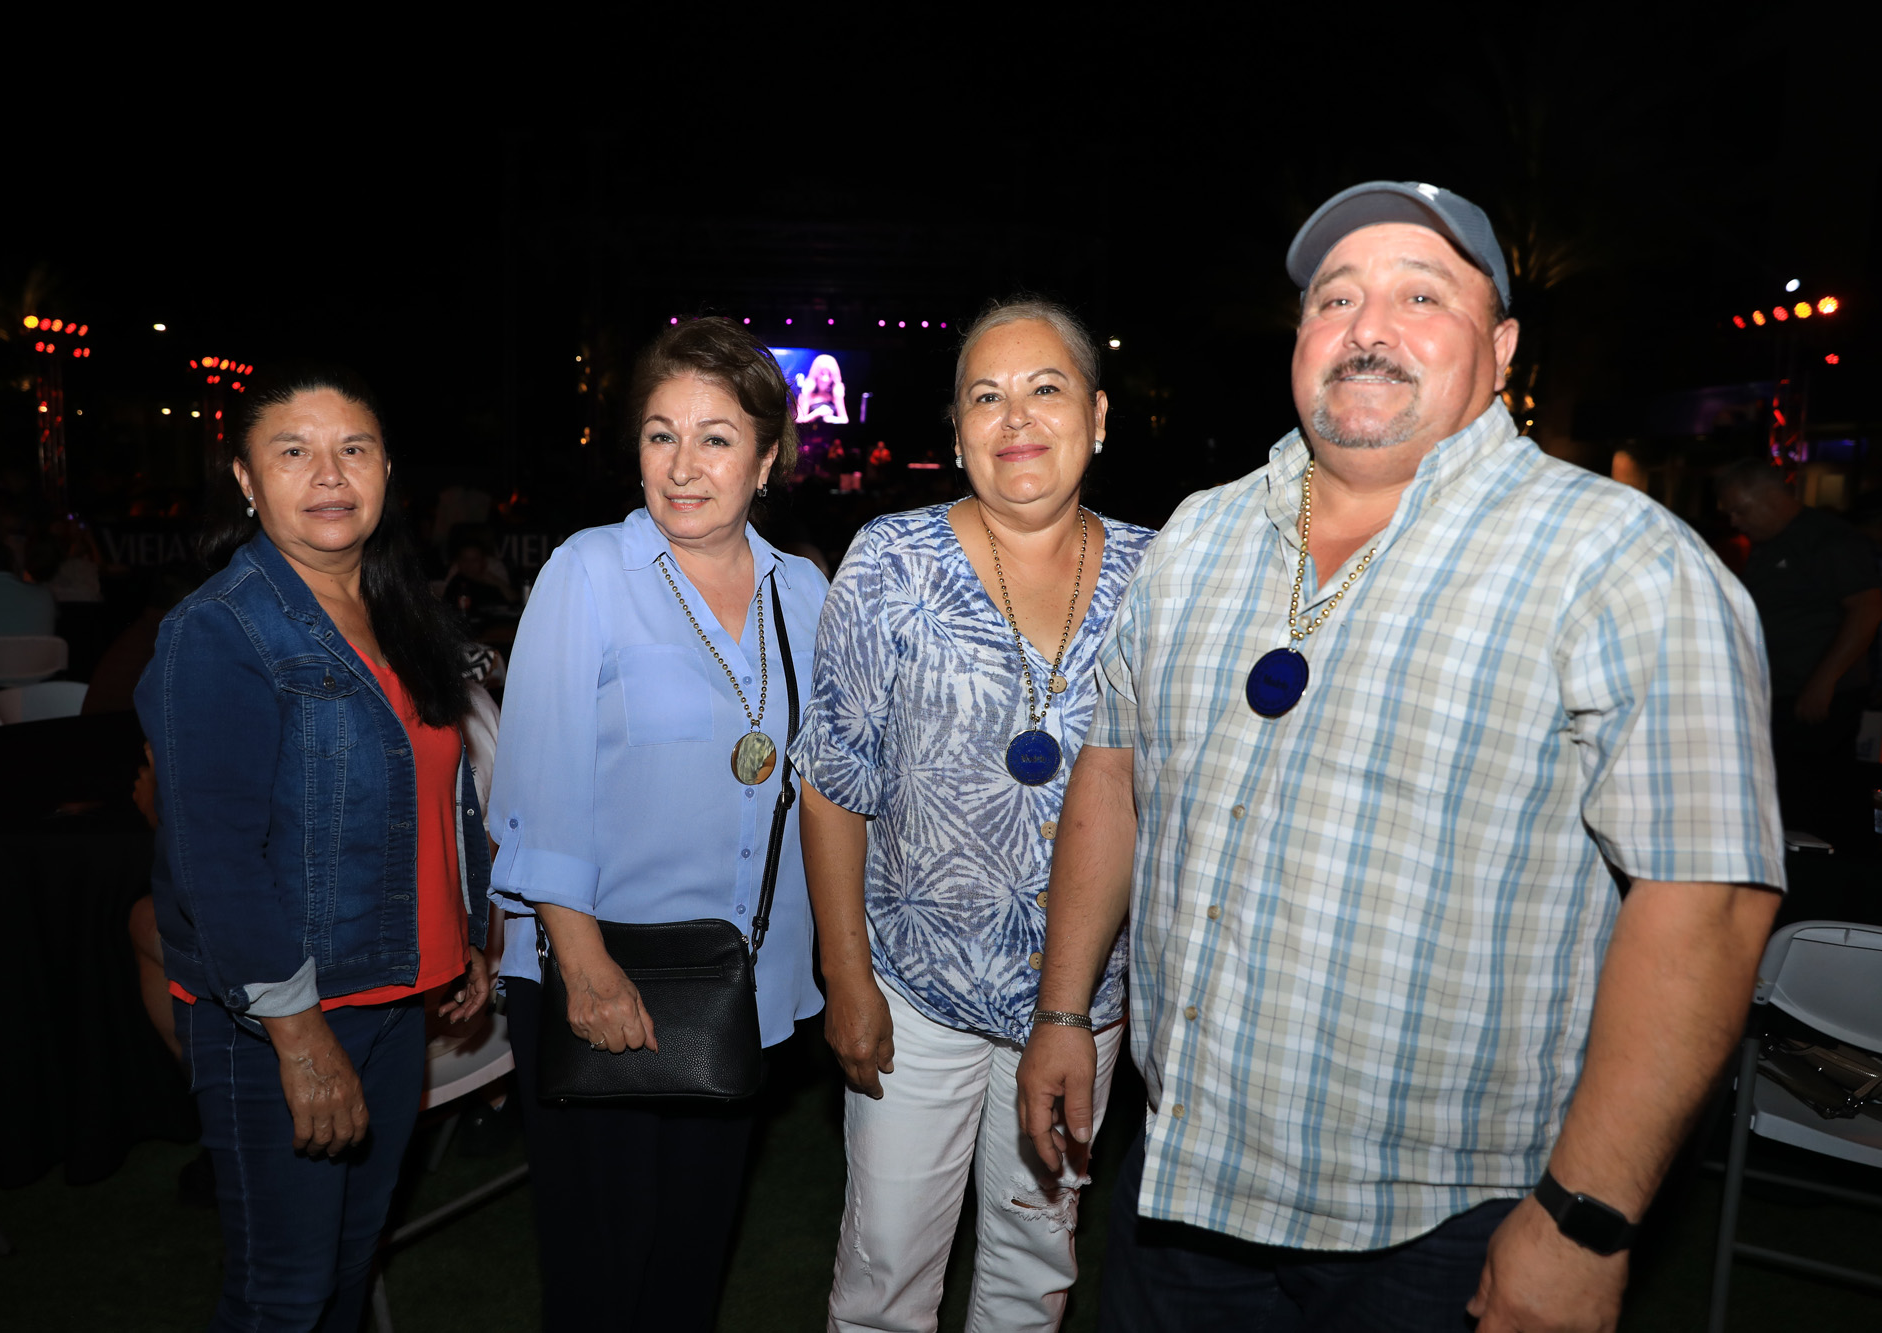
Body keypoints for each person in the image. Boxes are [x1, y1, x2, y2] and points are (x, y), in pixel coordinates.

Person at [1016, 181, 1784, 1332]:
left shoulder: (1622, 564)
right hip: (1179, 1183)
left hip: (1445, 1227)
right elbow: (1113, 772)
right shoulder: (1196, 538)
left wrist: (1581, 1217)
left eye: (1419, 296)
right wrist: (1063, 1010)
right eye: (1334, 299)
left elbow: (1707, 900)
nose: (1366, 328)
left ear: (1501, 347)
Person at [794, 299, 1154, 1332]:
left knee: (1035, 1265)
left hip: (1084, 998)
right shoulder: (889, 561)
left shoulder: (1161, 573)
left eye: (1045, 388)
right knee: (886, 1272)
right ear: (956, 432)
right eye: (986, 397)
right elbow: (832, 781)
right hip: (915, 991)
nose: (1016, 417)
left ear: (1096, 416)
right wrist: (846, 977)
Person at [134, 365, 492, 1333]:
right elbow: (216, 860)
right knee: (281, 1296)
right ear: (245, 479)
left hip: (390, 997)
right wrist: (298, 1038)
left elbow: (438, 790)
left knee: (344, 1273)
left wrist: (464, 933)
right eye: (293, 451)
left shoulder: (395, 607)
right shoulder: (220, 629)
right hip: (282, 1015)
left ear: (386, 472)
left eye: (353, 449)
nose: (329, 474)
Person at [488, 316, 828, 1332]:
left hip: (739, 986)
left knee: (688, 1262)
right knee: (601, 1273)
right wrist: (584, 968)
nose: (683, 466)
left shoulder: (805, 591)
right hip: (604, 974)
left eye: (716, 438)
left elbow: (826, 778)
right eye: (659, 434)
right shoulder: (589, 570)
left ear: (766, 458)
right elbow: (538, 781)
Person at [1716, 458, 1882, 852]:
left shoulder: (1828, 541)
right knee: (1785, 799)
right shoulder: (1768, 544)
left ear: (1770, 498)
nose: (1735, 521)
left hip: (1817, 697)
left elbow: (1867, 609)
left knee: (1816, 803)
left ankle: (1832, 875)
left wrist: (1823, 682)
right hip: (1781, 694)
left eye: (1740, 510)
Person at [797, 352, 851, 424]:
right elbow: (799, 421)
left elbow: (844, 420)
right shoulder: (806, 393)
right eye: (822, 374)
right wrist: (816, 413)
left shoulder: (836, 394)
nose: (825, 379)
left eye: (829, 375)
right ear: (816, 374)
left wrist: (832, 419)